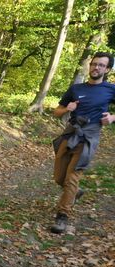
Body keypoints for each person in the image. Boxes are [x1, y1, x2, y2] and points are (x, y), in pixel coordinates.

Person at [49, 52, 115, 234]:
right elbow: (57, 111)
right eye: (94, 64)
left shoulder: (111, 89)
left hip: (89, 136)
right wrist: (66, 109)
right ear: (90, 65)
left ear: (107, 69)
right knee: (59, 178)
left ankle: (62, 216)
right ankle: (75, 192)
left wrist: (112, 117)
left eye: (101, 65)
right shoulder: (76, 89)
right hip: (70, 133)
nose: (96, 68)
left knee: (72, 178)